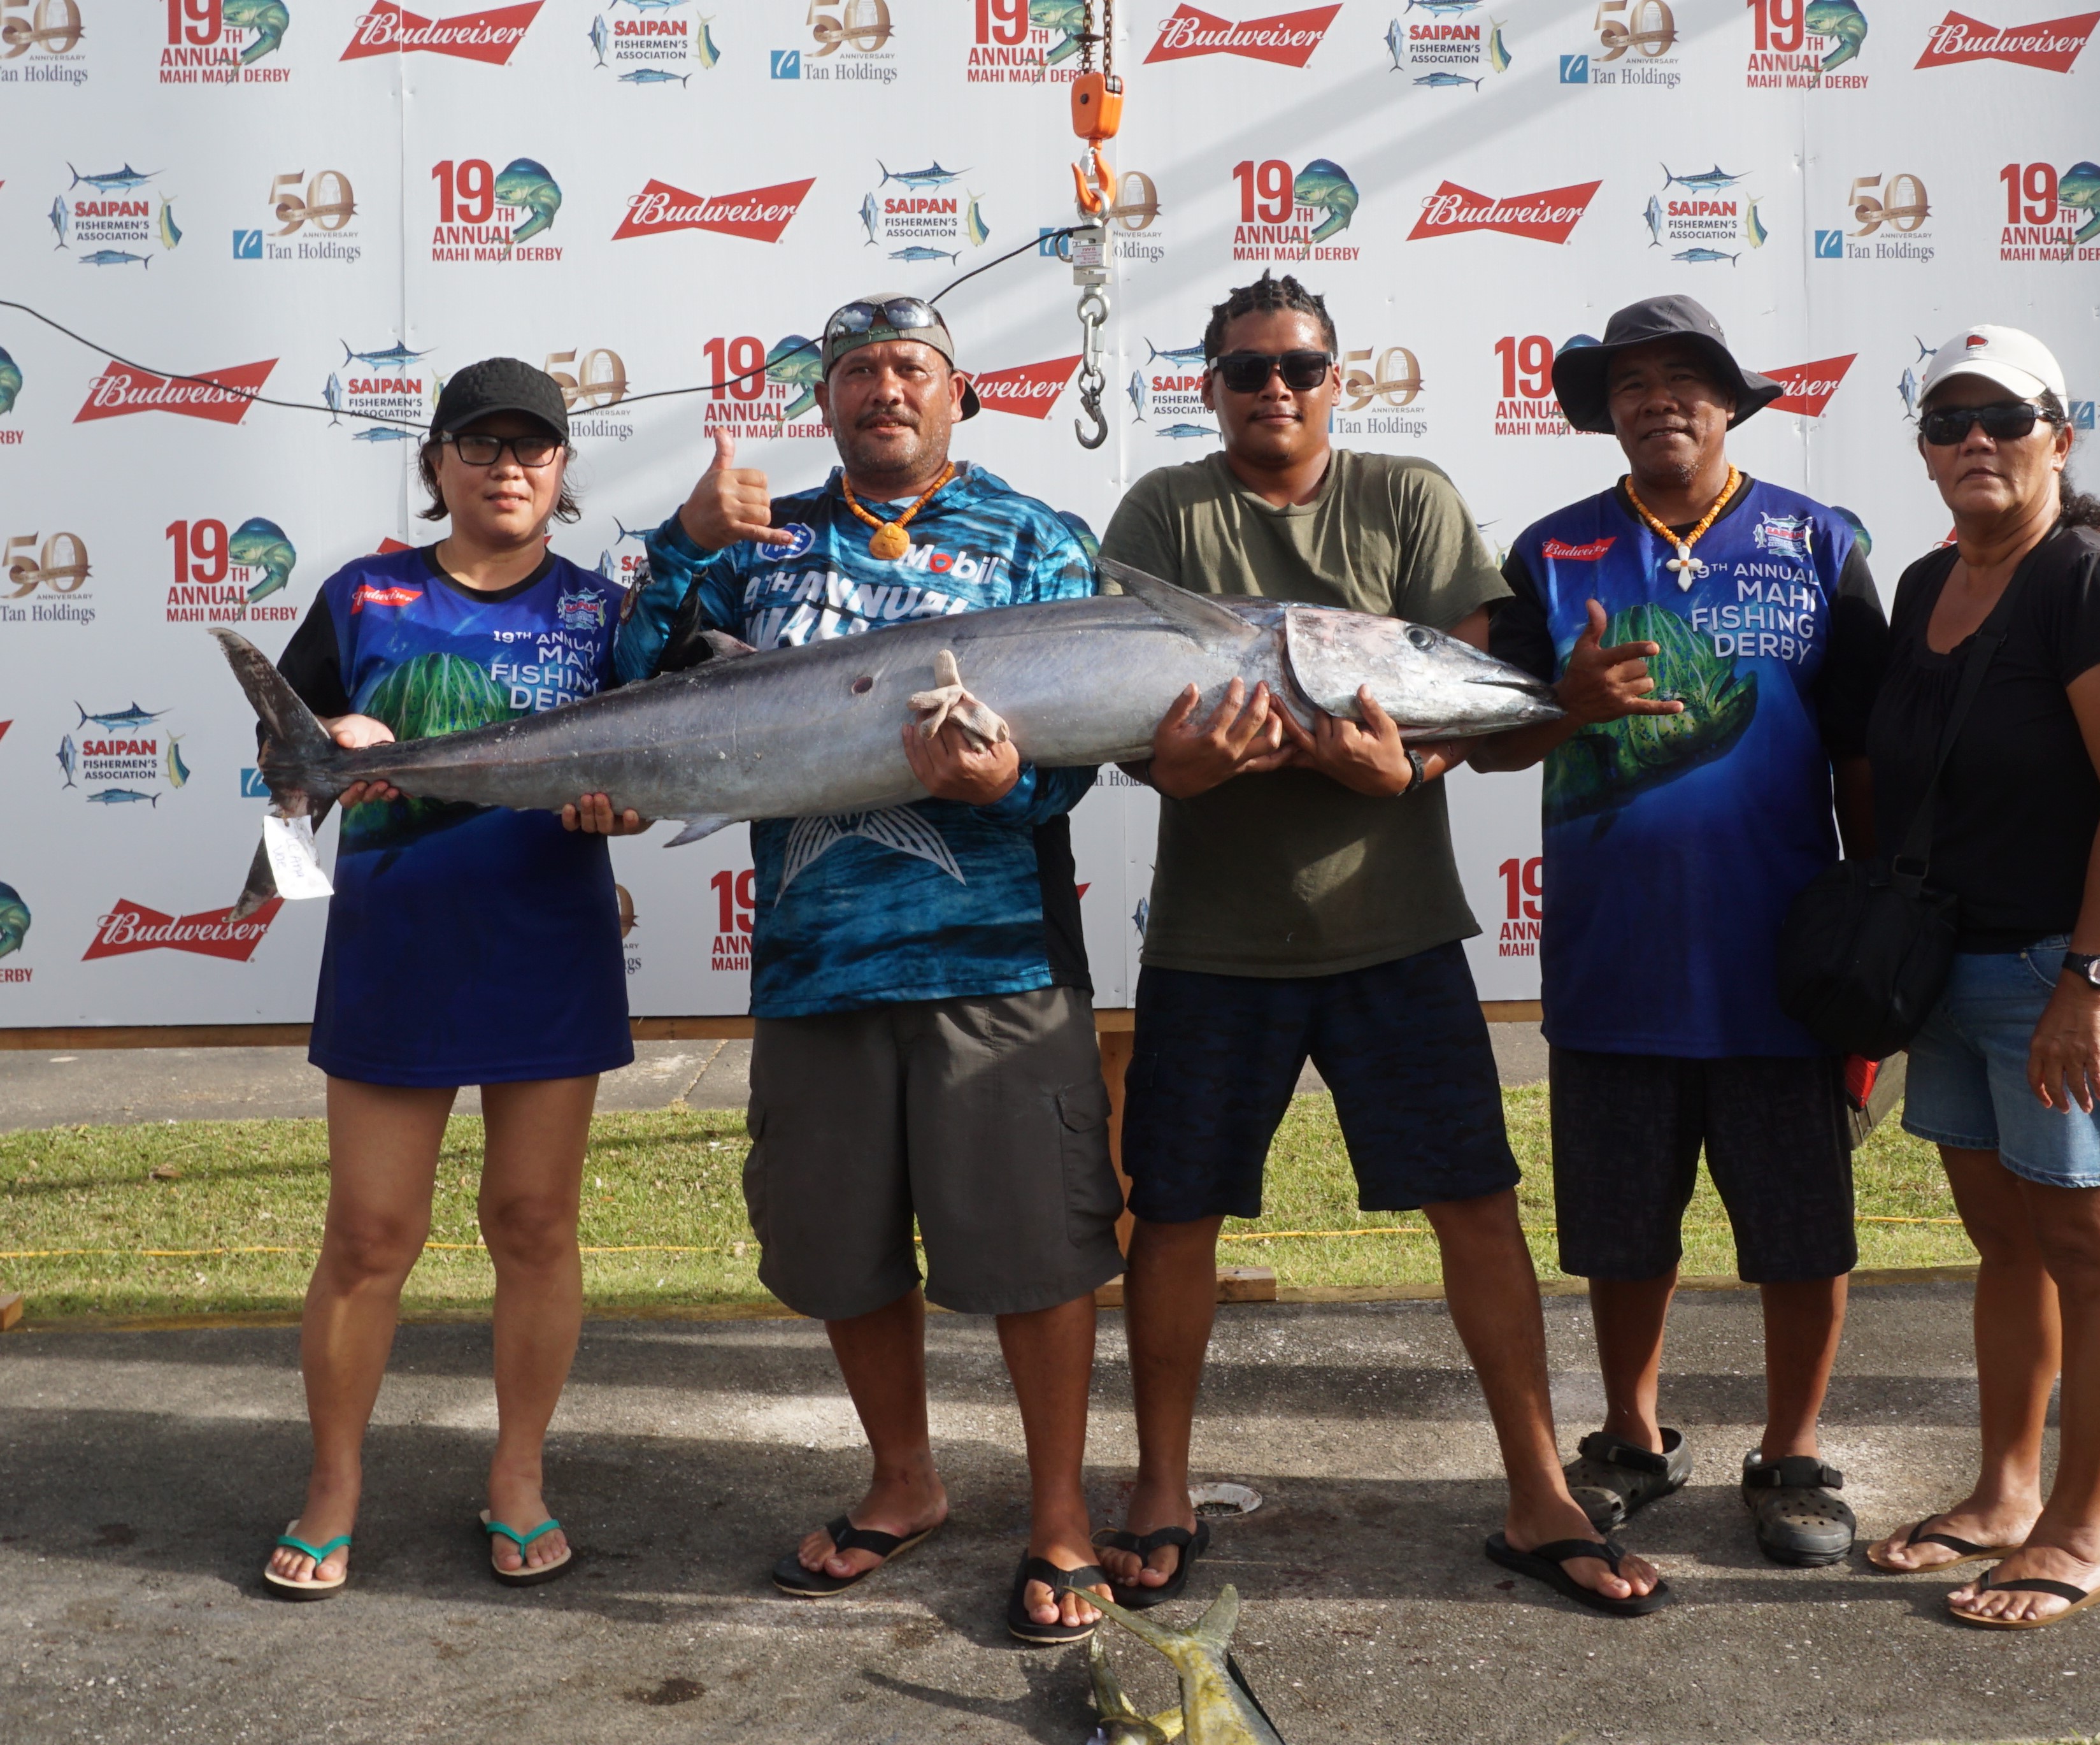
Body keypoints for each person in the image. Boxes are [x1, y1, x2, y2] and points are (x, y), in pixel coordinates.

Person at [1096, 271, 1664, 1618]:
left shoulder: (1407, 498)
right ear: (1209, 385)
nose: (1270, 389)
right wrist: (1173, 768)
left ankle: (1539, 1493)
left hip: (1394, 933)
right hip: (1209, 942)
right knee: (1172, 1217)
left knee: (1472, 1202)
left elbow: (1459, 700)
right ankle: (1160, 1485)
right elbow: (1128, 721)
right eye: (1243, 370)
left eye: (1295, 366)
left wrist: (1399, 777)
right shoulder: (1161, 511)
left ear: (1335, 380)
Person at [614, 295, 1125, 1644]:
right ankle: (905, 1480)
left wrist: (1016, 787)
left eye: (909, 367)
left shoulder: (1036, 538)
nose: (882, 388)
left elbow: (1094, 733)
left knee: (1038, 1252)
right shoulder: (759, 542)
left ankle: (1061, 1510)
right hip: (813, 968)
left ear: (959, 392)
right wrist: (678, 546)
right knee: (839, 1252)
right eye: (854, 371)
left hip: (997, 965)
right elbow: (630, 695)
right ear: (824, 400)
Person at [1471, 295, 1890, 1569]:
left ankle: (1793, 1449)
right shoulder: (1551, 554)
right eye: (1631, 382)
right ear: (1604, 409)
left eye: (1685, 378)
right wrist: (1563, 705)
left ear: (1730, 401)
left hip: (1784, 968)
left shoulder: (1815, 540)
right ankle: (1634, 1438)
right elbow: (1488, 742)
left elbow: (1862, 745)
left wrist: (1869, 930)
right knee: (1619, 1226)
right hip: (1616, 961)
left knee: (1799, 1233)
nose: (1659, 399)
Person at [261, 359, 642, 1598]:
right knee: (371, 1235)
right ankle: (333, 1484)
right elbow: (280, 758)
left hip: (549, 944)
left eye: (533, 447)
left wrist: (620, 807)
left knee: (533, 1224)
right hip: (395, 944)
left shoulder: (604, 611)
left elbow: (646, 772)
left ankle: (519, 1473)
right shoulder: (362, 593)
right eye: (480, 445)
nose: (508, 467)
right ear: (436, 464)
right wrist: (325, 751)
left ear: (563, 470)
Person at [1858, 327, 2100, 1629]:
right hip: (1957, 963)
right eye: (1947, 422)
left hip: (2072, 967)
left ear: (2062, 432)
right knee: (2002, 1239)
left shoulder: (2094, 581)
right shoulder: (1921, 583)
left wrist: (2090, 978)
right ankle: (2003, 1492)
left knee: (2089, 1250)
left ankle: (2078, 1530)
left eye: (2003, 415)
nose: (1973, 440)